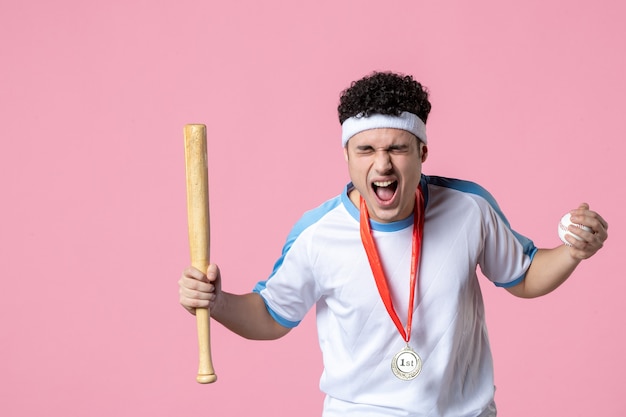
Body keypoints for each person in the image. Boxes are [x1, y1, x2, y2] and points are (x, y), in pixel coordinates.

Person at [178, 71, 608, 416]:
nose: (382, 163)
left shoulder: (469, 209)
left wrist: (573, 252)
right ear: (347, 156)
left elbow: (524, 275)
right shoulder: (316, 234)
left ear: (422, 152)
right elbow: (271, 315)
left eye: (398, 148)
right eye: (365, 149)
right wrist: (216, 302)